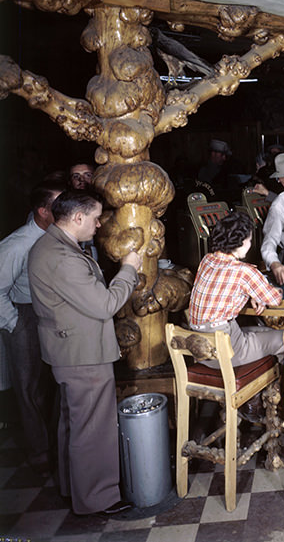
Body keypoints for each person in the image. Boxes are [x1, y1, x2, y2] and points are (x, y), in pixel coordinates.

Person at [27, 190, 142, 516]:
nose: (99, 224)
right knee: (93, 428)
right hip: (83, 354)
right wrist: (129, 269)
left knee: (73, 424)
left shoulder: (52, 246)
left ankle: (72, 489)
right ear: (77, 217)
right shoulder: (62, 257)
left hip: (67, 350)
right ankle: (98, 499)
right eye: (95, 218)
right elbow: (104, 305)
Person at [0, 181, 63, 475]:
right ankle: (38, 451)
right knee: (28, 388)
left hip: (46, 313)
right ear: (42, 211)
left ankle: (52, 446)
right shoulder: (18, 244)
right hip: (22, 315)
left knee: (49, 384)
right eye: (58, 206)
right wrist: (15, 324)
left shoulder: (55, 238)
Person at [188, 212, 284, 367]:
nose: (251, 244)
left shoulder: (207, 260)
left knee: (263, 330)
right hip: (226, 353)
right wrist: (274, 290)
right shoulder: (243, 271)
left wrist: (251, 294)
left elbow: (225, 289)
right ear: (241, 242)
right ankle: (277, 387)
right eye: (250, 240)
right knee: (283, 338)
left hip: (201, 350)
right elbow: (274, 299)